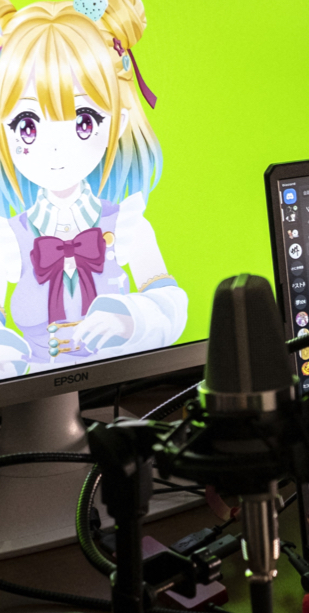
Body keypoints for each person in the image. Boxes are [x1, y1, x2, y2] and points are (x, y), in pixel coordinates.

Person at [0, 0, 186, 380]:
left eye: (84, 121)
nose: (55, 149)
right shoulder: (8, 238)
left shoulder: (129, 223)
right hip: (27, 406)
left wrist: (130, 320)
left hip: (118, 392)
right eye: (27, 126)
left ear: (117, 122)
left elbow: (172, 305)